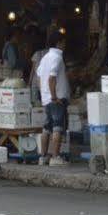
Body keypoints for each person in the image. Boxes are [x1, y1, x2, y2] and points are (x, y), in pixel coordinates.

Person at [34, 31, 71, 167]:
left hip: (46, 98)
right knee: (58, 127)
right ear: (59, 42)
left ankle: (43, 157)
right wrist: (54, 96)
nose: (65, 45)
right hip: (56, 98)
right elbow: (52, 77)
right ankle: (55, 156)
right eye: (64, 42)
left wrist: (44, 94)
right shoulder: (57, 57)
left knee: (46, 127)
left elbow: (39, 77)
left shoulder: (45, 58)